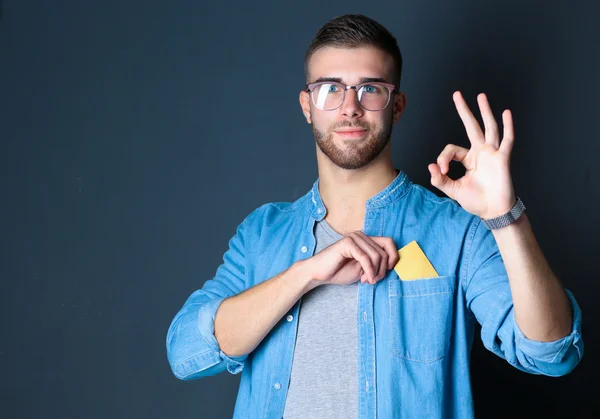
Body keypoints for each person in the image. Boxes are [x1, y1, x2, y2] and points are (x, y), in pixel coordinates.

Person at [165, 14, 583, 419]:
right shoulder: (261, 233)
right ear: (307, 105)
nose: (350, 108)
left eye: (370, 89)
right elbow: (186, 352)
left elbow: (551, 353)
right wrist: (306, 274)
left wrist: (506, 217)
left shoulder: (457, 232)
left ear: (396, 105)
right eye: (331, 89)